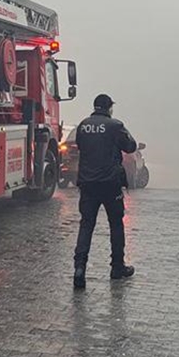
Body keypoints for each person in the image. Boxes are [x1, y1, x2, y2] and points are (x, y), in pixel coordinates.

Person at [72, 93, 138, 289]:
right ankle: (117, 267)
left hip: (88, 184)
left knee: (86, 225)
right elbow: (130, 146)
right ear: (109, 108)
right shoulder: (115, 126)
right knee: (116, 224)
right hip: (110, 184)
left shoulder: (83, 126)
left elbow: (81, 147)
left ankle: (79, 269)